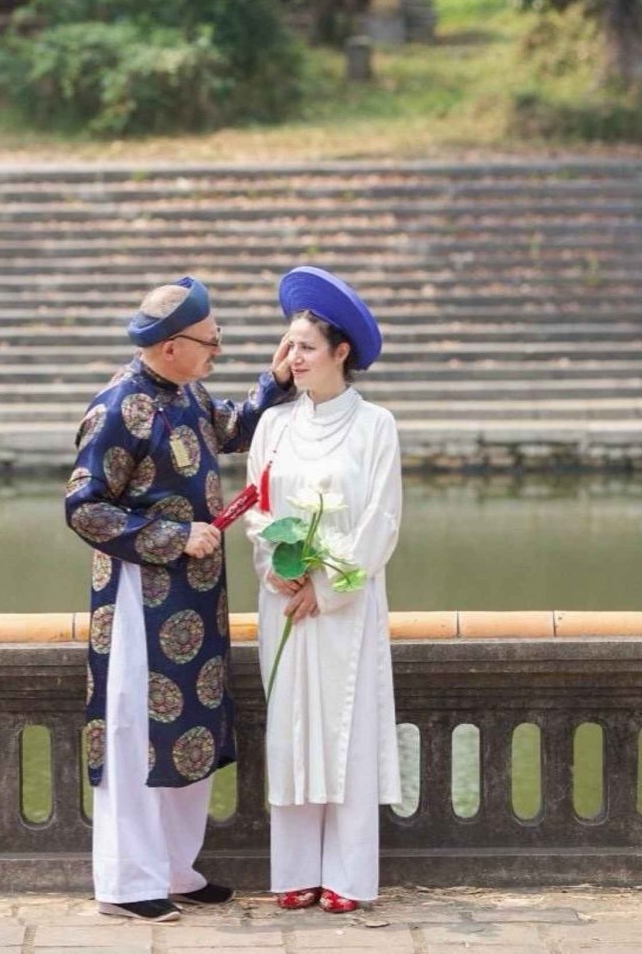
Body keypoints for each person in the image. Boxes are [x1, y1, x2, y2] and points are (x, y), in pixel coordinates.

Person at [65, 275, 294, 923]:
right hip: (140, 596)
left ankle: (173, 868)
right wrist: (171, 535)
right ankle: (125, 879)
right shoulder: (118, 409)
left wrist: (272, 385)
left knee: (190, 729)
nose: (217, 345)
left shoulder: (186, 389)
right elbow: (83, 507)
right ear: (170, 346)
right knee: (137, 732)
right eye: (209, 338)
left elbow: (226, 427)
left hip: (195, 598)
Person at [243, 265, 402, 914]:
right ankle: (295, 869)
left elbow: (381, 522)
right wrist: (276, 567)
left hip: (346, 607)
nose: (293, 358)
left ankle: (349, 873)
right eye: (288, 346)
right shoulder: (274, 425)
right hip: (284, 604)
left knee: (345, 730)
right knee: (291, 729)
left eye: (306, 346)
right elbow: (256, 504)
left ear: (341, 352)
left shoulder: (375, 426)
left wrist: (329, 585)